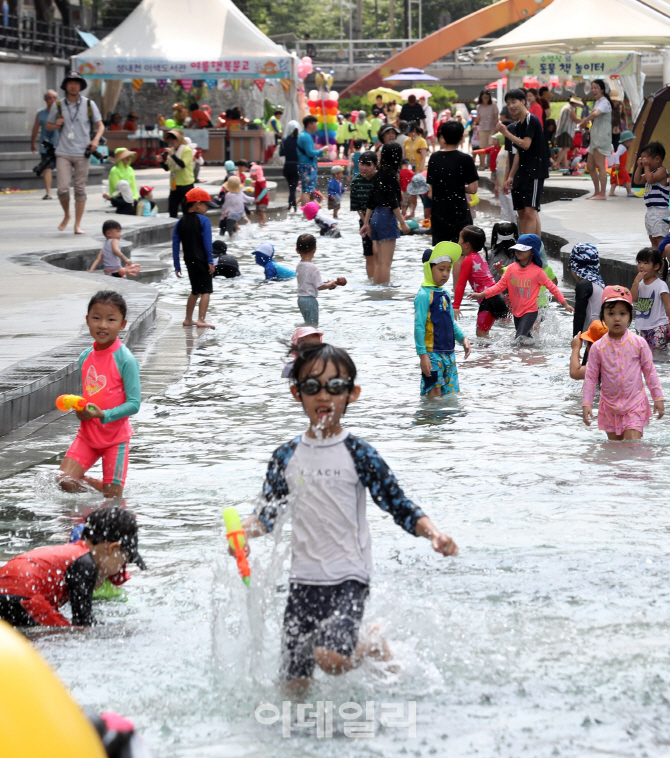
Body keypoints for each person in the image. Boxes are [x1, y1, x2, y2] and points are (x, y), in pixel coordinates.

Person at [234, 342, 458, 687]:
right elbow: (267, 515)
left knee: (331, 657)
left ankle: (371, 642)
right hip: (303, 581)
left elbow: (397, 503)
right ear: (297, 393)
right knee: (294, 685)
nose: (324, 395)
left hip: (348, 577)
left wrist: (434, 534)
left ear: (352, 393)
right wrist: (241, 533)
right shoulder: (285, 456)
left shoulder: (359, 453)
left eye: (335, 386)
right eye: (312, 387)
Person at [0, 506, 144, 628]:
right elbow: (83, 621)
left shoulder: (71, 554)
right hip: (22, 595)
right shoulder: (85, 564)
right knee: (68, 634)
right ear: (113, 548)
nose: (121, 567)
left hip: (10, 592)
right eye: (125, 559)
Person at [57, 290, 141, 498]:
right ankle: (98, 492)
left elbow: (134, 403)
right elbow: (90, 396)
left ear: (122, 324)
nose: (103, 325)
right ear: (87, 320)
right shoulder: (85, 357)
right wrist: (80, 410)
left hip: (115, 439)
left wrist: (102, 414)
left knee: (113, 500)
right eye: (96, 318)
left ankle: (107, 490)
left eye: (111, 319)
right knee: (64, 481)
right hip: (87, 435)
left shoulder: (126, 360)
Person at [582, 285, 664, 440]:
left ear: (629, 316)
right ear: (603, 316)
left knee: (632, 446)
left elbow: (650, 372)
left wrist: (658, 398)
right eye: (611, 313)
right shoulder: (598, 348)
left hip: (635, 404)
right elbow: (591, 378)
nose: (617, 318)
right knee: (615, 451)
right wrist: (586, 403)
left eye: (622, 313)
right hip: (609, 406)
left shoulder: (638, 343)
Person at [470, 233, 573, 341]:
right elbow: (499, 287)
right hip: (516, 311)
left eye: (523, 250)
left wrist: (565, 304)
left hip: (530, 311)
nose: (518, 252)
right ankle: (533, 355)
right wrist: (482, 294)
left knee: (519, 338)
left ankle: (518, 356)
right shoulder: (511, 269)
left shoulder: (538, 272)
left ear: (533, 252)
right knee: (526, 338)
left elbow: (553, 288)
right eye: (517, 249)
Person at [46, 71, 105, 234]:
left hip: (82, 152)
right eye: (70, 82)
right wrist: (56, 124)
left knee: (80, 189)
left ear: (80, 86)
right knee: (62, 189)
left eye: (77, 83)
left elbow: (100, 125)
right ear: (66, 85)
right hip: (63, 151)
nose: (73, 85)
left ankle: (77, 224)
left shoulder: (88, 104)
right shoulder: (58, 105)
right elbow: (48, 125)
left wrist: (95, 140)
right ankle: (67, 215)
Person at [415, 242, 471, 396]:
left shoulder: (444, 294)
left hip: (449, 354)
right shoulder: (423, 295)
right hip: (432, 354)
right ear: (428, 268)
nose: (445, 274)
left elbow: (451, 322)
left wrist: (463, 338)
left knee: (450, 396)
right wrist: (423, 356)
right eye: (441, 269)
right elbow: (419, 327)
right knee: (434, 395)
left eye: (448, 269)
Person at [497, 88, 549, 235]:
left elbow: (526, 144)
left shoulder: (531, 119)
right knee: (522, 213)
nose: (511, 106)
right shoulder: (519, 124)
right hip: (522, 172)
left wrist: (506, 133)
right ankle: (527, 246)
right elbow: (518, 152)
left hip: (534, 171)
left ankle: (533, 249)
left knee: (530, 212)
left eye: (514, 102)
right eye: (508, 103)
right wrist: (510, 176)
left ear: (523, 102)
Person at [360, 142, 410, 285]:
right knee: (386, 262)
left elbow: (371, 201)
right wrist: (403, 223)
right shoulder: (391, 175)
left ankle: (377, 289)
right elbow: (393, 203)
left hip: (375, 217)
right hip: (386, 217)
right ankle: (385, 293)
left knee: (380, 261)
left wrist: (366, 223)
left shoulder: (379, 174)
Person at [426, 120, 479, 247]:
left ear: (443, 137)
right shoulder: (466, 159)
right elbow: (473, 189)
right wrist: (457, 187)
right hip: (459, 214)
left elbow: (430, 193)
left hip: (439, 215)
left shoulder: (434, 158)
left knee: (442, 256)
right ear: (461, 137)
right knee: (461, 252)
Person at [172, 187, 216, 329]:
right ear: (197, 204)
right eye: (206, 205)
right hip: (202, 259)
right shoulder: (204, 220)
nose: (207, 208)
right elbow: (207, 243)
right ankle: (201, 320)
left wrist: (177, 265)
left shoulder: (180, 222)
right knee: (206, 291)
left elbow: (175, 245)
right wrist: (210, 260)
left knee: (195, 291)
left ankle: (188, 319)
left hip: (189, 260)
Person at [453, 225, 507, 337]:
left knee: (481, 335)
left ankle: (489, 354)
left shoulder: (468, 260)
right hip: (497, 297)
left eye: (459, 240)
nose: (458, 243)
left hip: (489, 301)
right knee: (485, 334)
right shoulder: (480, 256)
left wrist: (456, 306)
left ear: (467, 245)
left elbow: (461, 284)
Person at [295, 233, 345, 326]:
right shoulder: (313, 268)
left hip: (301, 299)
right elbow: (320, 286)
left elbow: (308, 283)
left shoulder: (299, 266)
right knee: (313, 326)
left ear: (297, 250)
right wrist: (331, 284)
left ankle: (300, 336)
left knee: (307, 323)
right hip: (310, 300)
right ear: (314, 249)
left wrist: (327, 283)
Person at [577, 80, 612, 200]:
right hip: (595, 138)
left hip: (601, 138)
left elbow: (596, 113)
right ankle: (597, 192)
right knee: (590, 166)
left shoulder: (604, 102)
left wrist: (584, 121)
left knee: (600, 166)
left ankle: (602, 194)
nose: (593, 90)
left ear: (602, 89)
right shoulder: (598, 102)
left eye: (596, 88)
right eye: (592, 88)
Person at [631, 247, 670, 349]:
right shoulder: (639, 284)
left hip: (659, 326)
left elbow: (668, 304)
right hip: (643, 326)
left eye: (645, 263)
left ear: (656, 266)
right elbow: (633, 298)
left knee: (657, 352)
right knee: (644, 353)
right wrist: (635, 282)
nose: (641, 266)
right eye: (639, 262)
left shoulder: (660, 285)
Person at [633, 141, 669, 250]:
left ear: (657, 159)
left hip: (660, 212)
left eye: (645, 159)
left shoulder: (661, 171)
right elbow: (637, 180)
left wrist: (646, 167)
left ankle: (663, 263)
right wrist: (639, 168)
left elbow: (651, 179)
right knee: (653, 242)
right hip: (650, 211)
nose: (643, 161)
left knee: (660, 241)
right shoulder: (650, 172)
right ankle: (656, 263)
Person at [350, 150, 378, 278]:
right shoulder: (356, 182)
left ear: (375, 165)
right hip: (364, 224)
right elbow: (357, 206)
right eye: (362, 164)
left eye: (368, 165)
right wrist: (366, 223)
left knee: (380, 255)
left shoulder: (379, 180)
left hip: (381, 221)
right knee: (369, 255)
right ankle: (372, 282)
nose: (364, 168)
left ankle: (381, 280)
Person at [569, 243, 605, 337]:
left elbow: (579, 315)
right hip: (600, 334)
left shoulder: (583, 285)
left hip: (592, 338)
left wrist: (576, 339)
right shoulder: (599, 283)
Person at [31, 89, 59, 200]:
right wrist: (32, 143)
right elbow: (35, 128)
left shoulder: (61, 112)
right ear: (45, 100)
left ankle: (63, 190)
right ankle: (48, 192)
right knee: (47, 168)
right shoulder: (40, 113)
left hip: (60, 144)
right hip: (45, 146)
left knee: (62, 168)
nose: (52, 100)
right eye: (49, 98)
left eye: (54, 98)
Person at [161, 128, 194, 218]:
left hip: (186, 185)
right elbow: (167, 168)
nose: (172, 141)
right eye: (171, 139)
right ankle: (174, 230)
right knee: (172, 209)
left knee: (186, 210)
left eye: (174, 138)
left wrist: (172, 154)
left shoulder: (186, 149)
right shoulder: (172, 151)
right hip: (175, 185)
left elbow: (182, 164)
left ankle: (187, 230)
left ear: (179, 139)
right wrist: (160, 161)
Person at [298, 115, 326, 205]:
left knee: (308, 190)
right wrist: (322, 150)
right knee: (307, 190)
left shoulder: (304, 135)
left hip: (305, 165)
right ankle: (306, 213)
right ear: (310, 124)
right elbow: (310, 153)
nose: (316, 126)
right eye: (315, 123)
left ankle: (307, 213)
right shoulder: (306, 136)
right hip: (308, 165)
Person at [555, 96, 583, 170]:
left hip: (563, 130)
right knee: (567, 148)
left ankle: (565, 164)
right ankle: (557, 163)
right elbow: (575, 119)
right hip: (566, 131)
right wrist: (584, 120)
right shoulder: (570, 109)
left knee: (564, 148)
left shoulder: (566, 107)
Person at [280, 119, 300, 212]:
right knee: (293, 187)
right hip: (297, 166)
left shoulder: (284, 141)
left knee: (290, 187)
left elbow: (281, 153)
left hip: (287, 166)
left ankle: (291, 206)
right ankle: (292, 206)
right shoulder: (300, 140)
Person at [474, 90, 499, 169]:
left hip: (492, 128)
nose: (485, 99)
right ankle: (482, 165)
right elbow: (478, 119)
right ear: (481, 97)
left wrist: (497, 128)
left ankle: (490, 164)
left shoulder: (493, 105)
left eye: (487, 97)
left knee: (491, 146)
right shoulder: (479, 107)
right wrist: (475, 121)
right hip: (482, 129)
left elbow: (496, 118)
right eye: (484, 97)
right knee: (483, 147)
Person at [610, 129, 635, 197]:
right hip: (620, 167)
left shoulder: (621, 146)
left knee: (615, 179)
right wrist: (617, 163)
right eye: (630, 141)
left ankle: (611, 192)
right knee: (627, 179)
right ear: (626, 141)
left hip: (617, 167)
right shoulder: (623, 148)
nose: (631, 143)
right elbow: (617, 154)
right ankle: (629, 191)